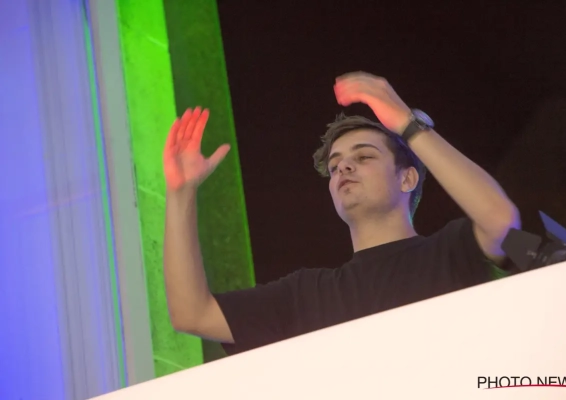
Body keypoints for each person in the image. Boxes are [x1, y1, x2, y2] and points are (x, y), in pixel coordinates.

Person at [163, 71, 520, 355]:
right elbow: (192, 313)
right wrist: (181, 193)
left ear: (407, 178)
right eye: (335, 166)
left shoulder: (452, 250)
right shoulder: (306, 294)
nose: (344, 168)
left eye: (363, 156)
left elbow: (501, 221)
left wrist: (405, 123)